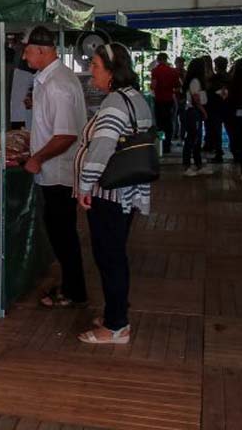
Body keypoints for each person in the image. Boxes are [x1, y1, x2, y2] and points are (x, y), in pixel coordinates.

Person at [74, 43, 153, 345]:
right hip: (126, 192)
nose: (90, 70)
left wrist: (84, 186)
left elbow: (101, 149)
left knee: (109, 257)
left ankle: (116, 325)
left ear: (111, 71)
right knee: (114, 254)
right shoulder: (135, 98)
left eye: (94, 65)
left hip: (109, 194)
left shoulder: (114, 104)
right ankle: (113, 313)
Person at [22, 26, 89, 309]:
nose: (24, 57)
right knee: (60, 232)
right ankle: (72, 285)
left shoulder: (58, 84)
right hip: (54, 171)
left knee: (63, 234)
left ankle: (74, 290)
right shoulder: (48, 80)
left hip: (59, 173)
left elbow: (66, 135)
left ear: (42, 51)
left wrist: (37, 158)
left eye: (27, 51)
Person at [182, 57, 212, 177]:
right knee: (192, 138)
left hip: (195, 111)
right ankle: (187, 166)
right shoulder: (195, 81)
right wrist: (203, 111)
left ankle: (198, 165)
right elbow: (196, 98)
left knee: (197, 139)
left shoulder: (196, 81)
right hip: (194, 112)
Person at [150, 53, 179, 154]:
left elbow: (153, 86)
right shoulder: (173, 71)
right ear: (166, 59)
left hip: (159, 100)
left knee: (160, 124)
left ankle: (160, 146)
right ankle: (168, 145)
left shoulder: (155, 71)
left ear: (158, 59)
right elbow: (177, 86)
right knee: (169, 123)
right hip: (169, 100)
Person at [206, 56, 231, 163]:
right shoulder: (230, 78)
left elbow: (209, 92)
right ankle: (236, 150)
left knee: (217, 131)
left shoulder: (214, 79)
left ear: (216, 66)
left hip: (215, 108)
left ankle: (218, 152)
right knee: (230, 130)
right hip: (228, 107)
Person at [174, 56, 187, 145]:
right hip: (174, 98)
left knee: (182, 119)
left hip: (182, 98)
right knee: (174, 119)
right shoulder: (173, 72)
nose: (181, 65)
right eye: (179, 63)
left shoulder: (185, 73)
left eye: (182, 63)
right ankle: (175, 134)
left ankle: (181, 135)